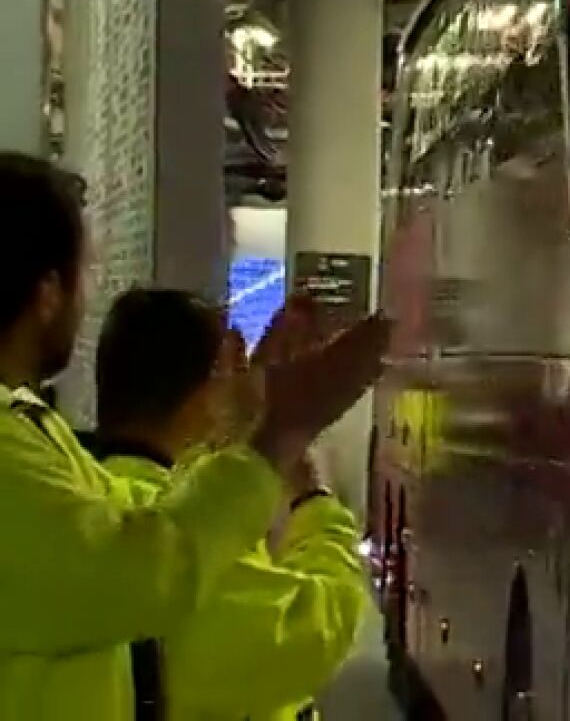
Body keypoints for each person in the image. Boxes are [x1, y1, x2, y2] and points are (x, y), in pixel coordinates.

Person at [0, 152, 388, 720]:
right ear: (48, 292)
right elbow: (146, 571)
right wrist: (285, 446)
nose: (90, 294)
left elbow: (135, 529)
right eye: (86, 272)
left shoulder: (35, 428)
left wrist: (241, 436)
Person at [80, 289, 367, 721]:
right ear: (204, 395)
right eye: (226, 374)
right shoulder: (187, 547)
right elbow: (317, 625)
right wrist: (311, 496)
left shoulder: (80, 501)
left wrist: (244, 438)